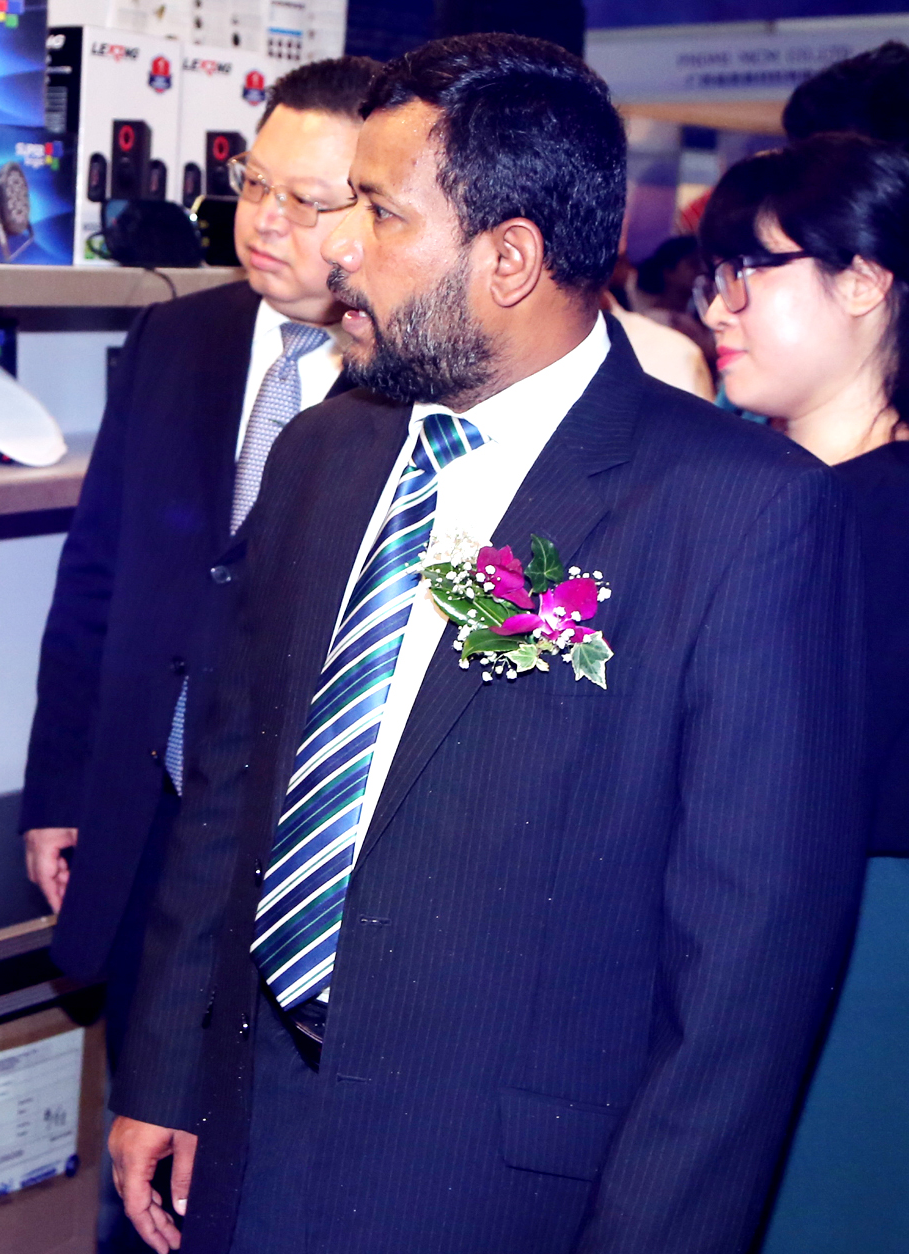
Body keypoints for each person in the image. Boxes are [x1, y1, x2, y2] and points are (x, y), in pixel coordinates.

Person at [107, 34, 865, 1254]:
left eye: (379, 212)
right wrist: (165, 1067)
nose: (340, 249)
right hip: (255, 1133)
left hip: (504, 1184)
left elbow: (744, 968)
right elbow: (231, 787)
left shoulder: (735, 513)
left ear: (507, 257)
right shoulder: (320, 455)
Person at [15, 58, 373, 1252]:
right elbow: (95, 582)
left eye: (307, 201)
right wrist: (59, 791)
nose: (263, 220)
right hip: (152, 810)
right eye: (252, 185)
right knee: (144, 1141)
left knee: (264, 1164)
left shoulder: (401, 379)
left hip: (302, 836)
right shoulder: (176, 337)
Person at [696, 132, 909, 1254]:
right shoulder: (733, 485)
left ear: (862, 282)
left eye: (749, 271)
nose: (716, 308)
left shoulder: (880, 514)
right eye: (711, 275)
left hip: (863, 957)